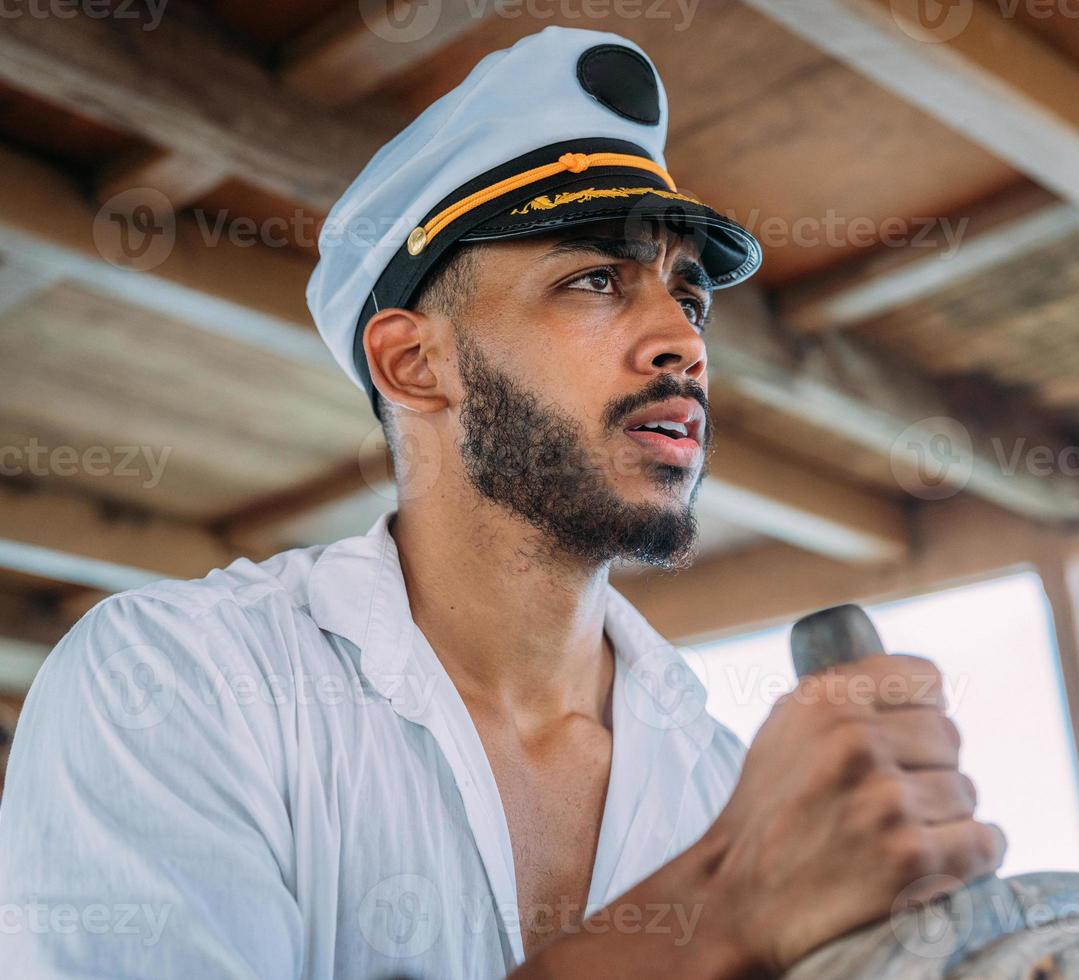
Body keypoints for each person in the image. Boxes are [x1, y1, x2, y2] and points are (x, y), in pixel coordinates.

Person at [0, 26, 1004, 978]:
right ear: (413, 361)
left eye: (688, 296)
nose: (683, 340)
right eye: (594, 281)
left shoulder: (713, 775)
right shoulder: (176, 683)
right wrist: (723, 909)